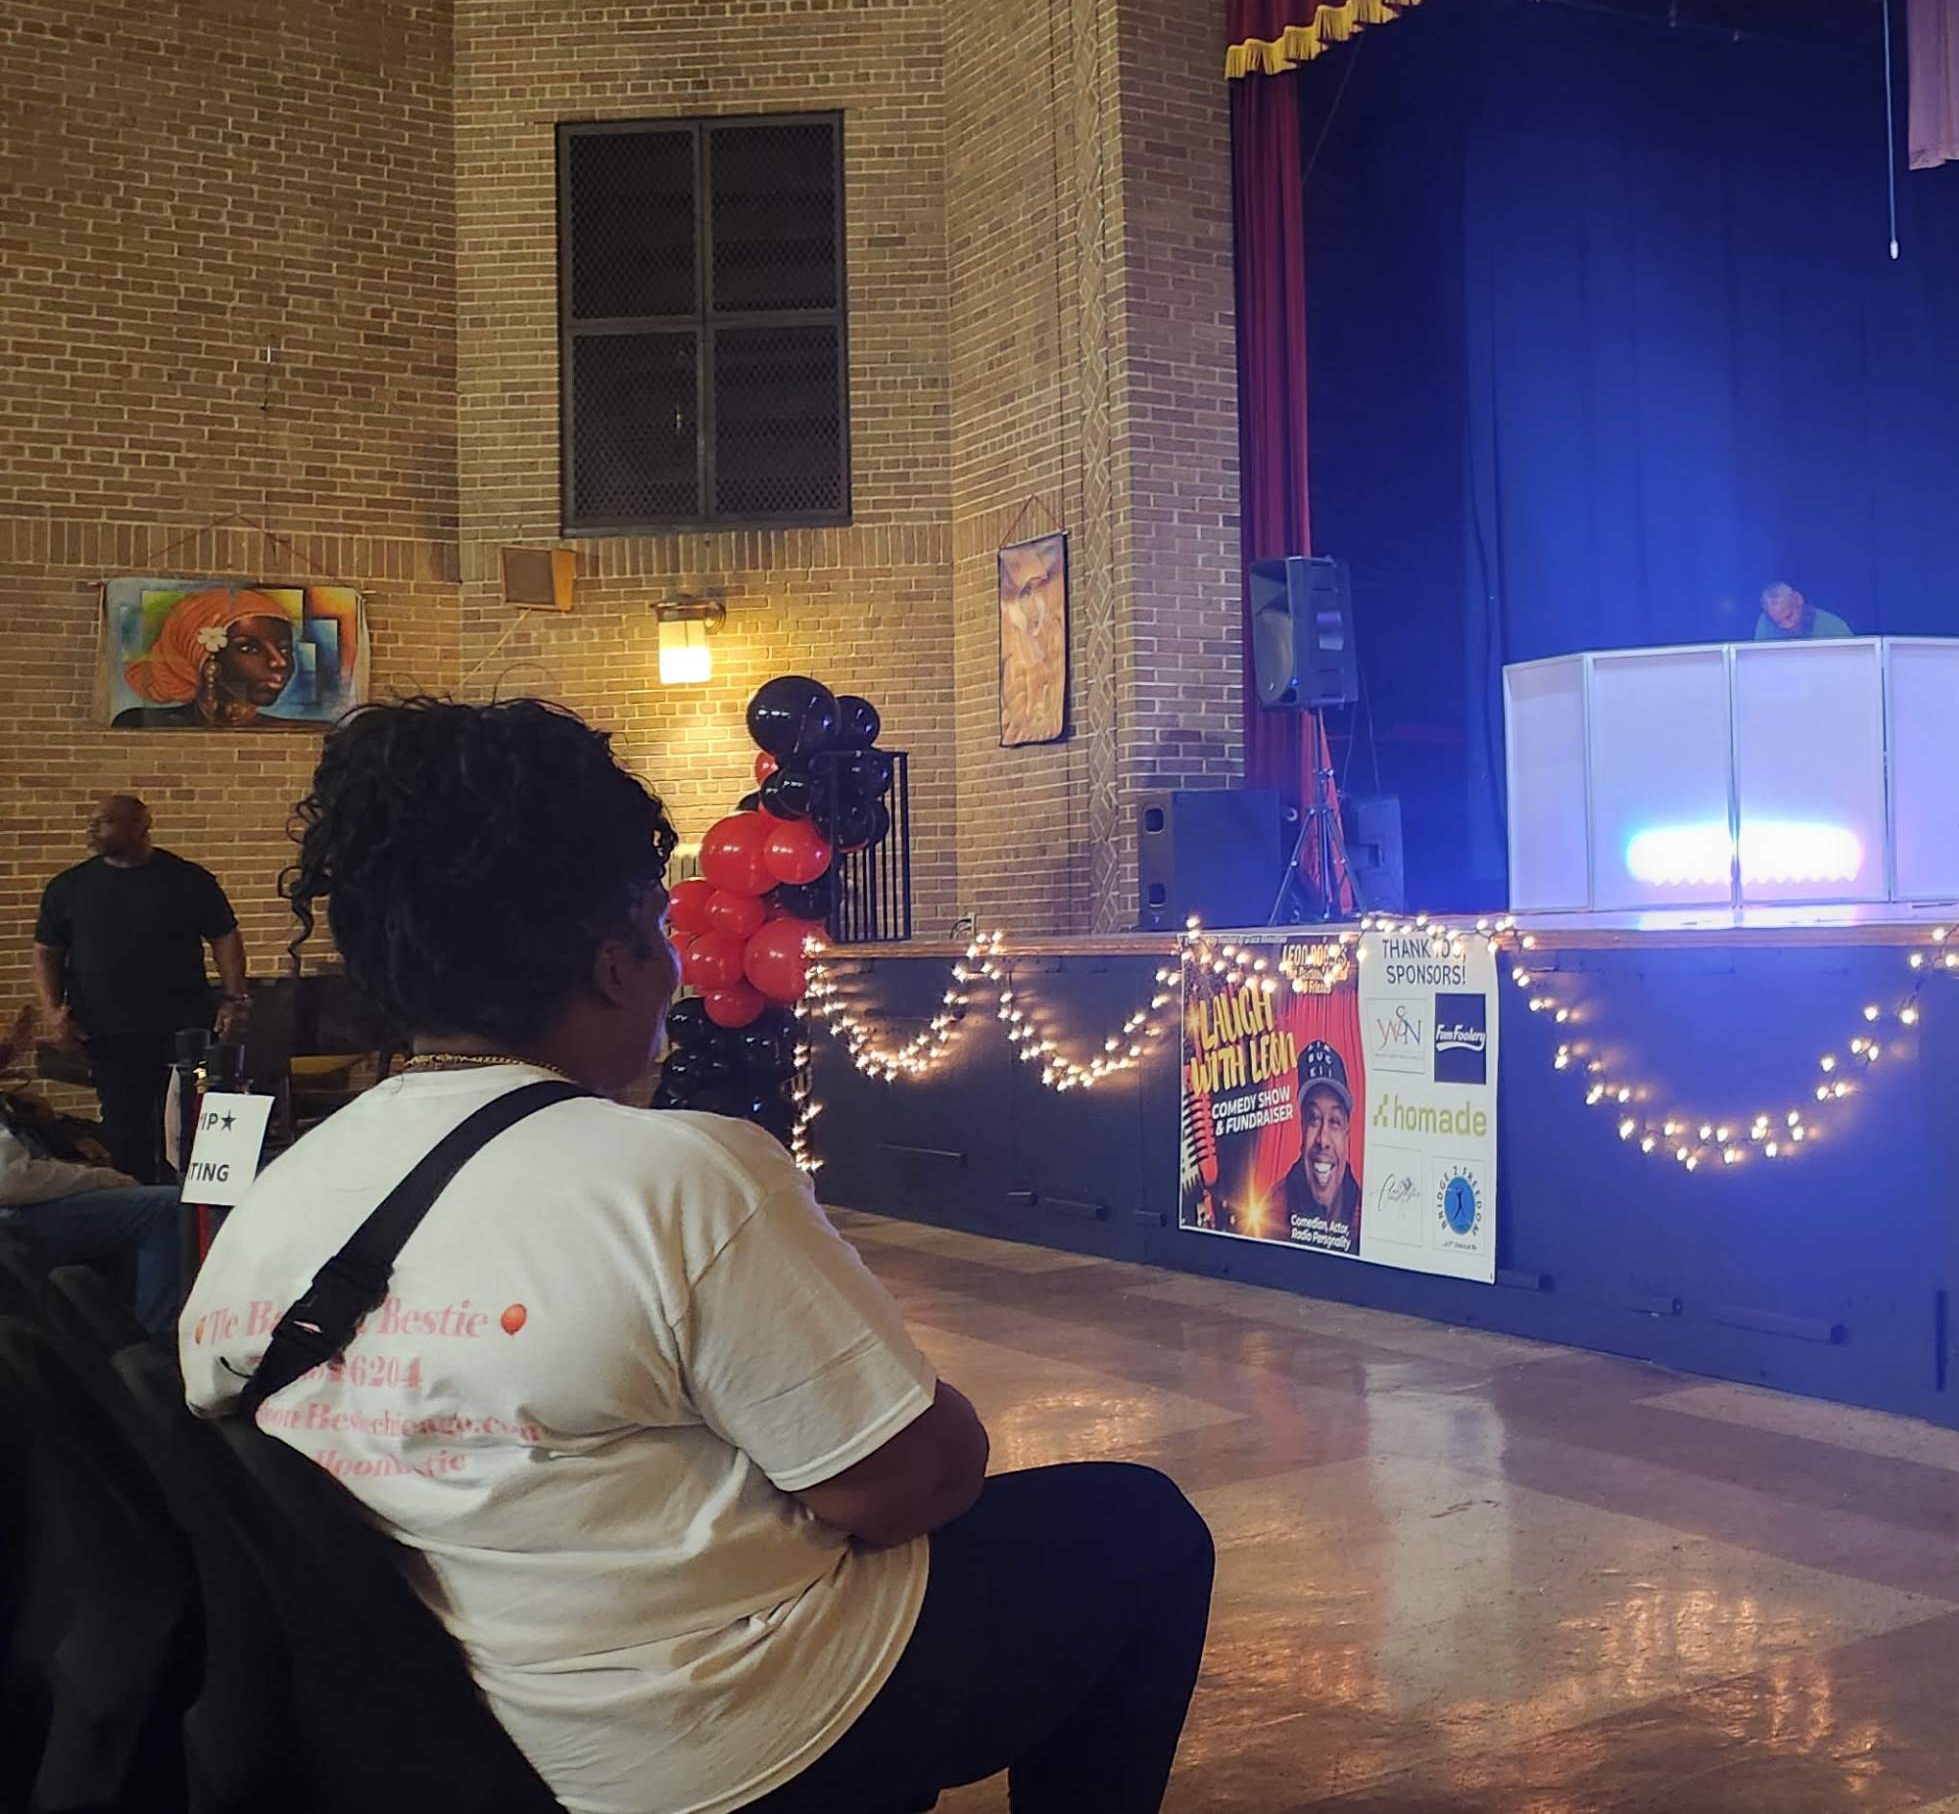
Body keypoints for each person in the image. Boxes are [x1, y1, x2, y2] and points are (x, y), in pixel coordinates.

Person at [182, 698, 1212, 1814]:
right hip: (703, 1748)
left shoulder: (282, 1193)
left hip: (435, 1734)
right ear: (621, 962)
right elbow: (911, 1481)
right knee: (1141, 1530)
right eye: (660, 927)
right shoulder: (681, 1173)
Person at [34, 793, 248, 1180]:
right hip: (109, 1030)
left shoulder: (187, 880)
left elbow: (225, 937)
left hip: (183, 1027)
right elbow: (46, 952)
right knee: (124, 1127)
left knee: (191, 1123)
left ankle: (198, 1211)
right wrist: (53, 1010)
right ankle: (142, 1207)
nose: (91, 829)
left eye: (103, 821)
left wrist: (233, 998)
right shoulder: (69, 887)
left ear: (139, 825)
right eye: (92, 820)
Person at [0, 1008, 189, 1336]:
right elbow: (12, 1180)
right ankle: (158, 1339)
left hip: (20, 1212)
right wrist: (100, 1179)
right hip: (15, 1223)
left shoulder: (13, 1101)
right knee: (165, 1207)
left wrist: (56, 1126)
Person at [113, 584, 302, 728]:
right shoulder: (135, 722)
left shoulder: (302, 731)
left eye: (285, 649)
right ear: (200, 656)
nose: (280, 662)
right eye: (249, 649)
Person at [1281, 1039, 1361, 1250]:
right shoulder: (1270, 1216)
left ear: (1347, 1132)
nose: (1323, 1140)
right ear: (1301, 1126)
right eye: (1313, 1119)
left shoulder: (1367, 1218)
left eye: (1334, 1121)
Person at [1754, 580, 1853, 640]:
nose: (1788, 626)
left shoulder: (1834, 626)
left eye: (1789, 616)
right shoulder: (1765, 624)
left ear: (1798, 599)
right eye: (1779, 623)